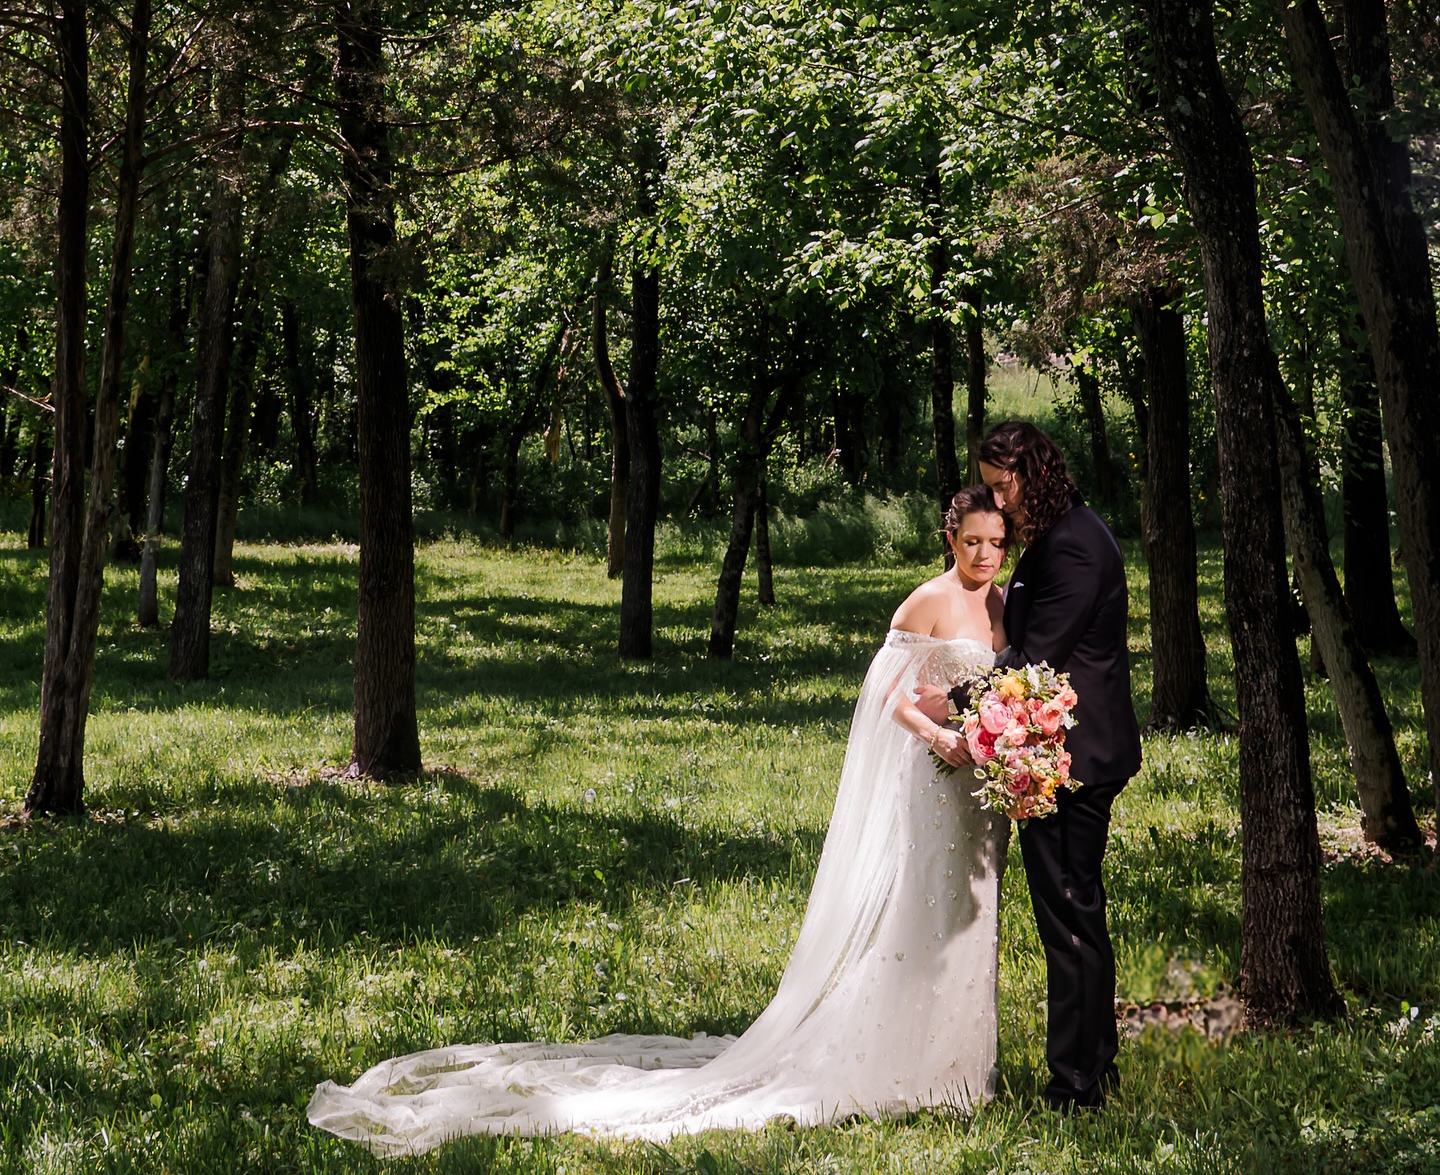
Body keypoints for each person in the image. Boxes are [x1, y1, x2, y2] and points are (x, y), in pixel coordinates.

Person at [308, 487, 1011, 1152]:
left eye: (996, 543)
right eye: (973, 541)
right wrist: (936, 735)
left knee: (972, 913)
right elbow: (887, 695)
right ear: (949, 538)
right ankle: (904, 1061)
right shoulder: (928, 600)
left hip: (980, 789)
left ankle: (956, 1069)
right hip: (932, 779)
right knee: (922, 910)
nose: (985, 555)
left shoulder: (1005, 604)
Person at [917, 421, 1140, 1113]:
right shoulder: (1063, 533)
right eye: (988, 486)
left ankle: (1076, 1088)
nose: (997, 500)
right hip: (1063, 752)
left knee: (1069, 921)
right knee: (1076, 914)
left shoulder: (1073, 544)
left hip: (1072, 760)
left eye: (1002, 485)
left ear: (1033, 474)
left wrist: (954, 701)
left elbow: (1037, 657)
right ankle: (1092, 1068)